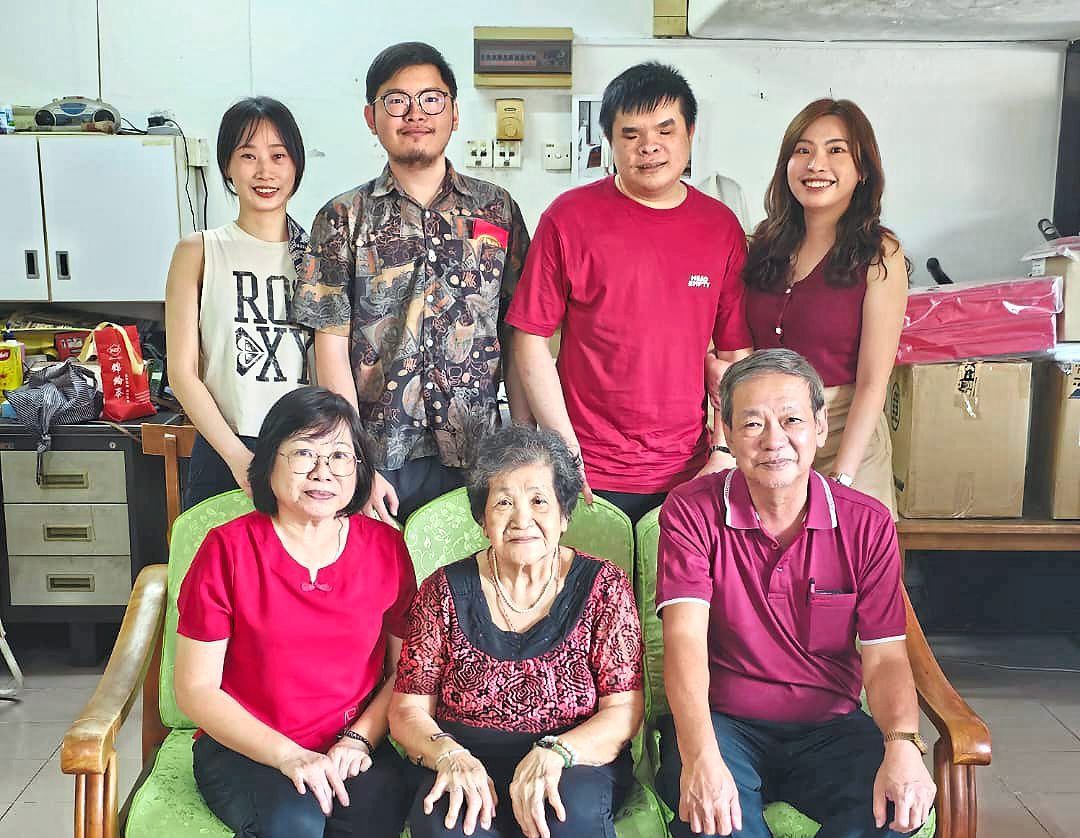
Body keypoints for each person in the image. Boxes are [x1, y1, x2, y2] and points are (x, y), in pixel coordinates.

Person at [654, 350, 935, 838]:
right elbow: (684, 643)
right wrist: (701, 752)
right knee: (696, 790)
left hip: (830, 723)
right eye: (751, 423)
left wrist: (902, 743)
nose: (772, 439)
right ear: (725, 429)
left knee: (894, 797)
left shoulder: (865, 523)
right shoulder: (691, 512)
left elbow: (887, 656)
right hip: (729, 720)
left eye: (789, 420)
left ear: (819, 426)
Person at [389, 426, 650, 838]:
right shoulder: (443, 591)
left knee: (573, 811)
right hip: (466, 757)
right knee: (441, 824)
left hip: (576, 753)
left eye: (538, 500)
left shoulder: (603, 587)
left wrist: (558, 751)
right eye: (503, 501)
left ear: (565, 512)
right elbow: (406, 710)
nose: (522, 517)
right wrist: (449, 754)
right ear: (481, 515)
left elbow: (623, 710)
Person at [175, 386, 416, 838]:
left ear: (361, 469)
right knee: (292, 825)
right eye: (303, 453)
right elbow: (195, 690)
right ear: (268, 466)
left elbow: (403, 671)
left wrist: (358, 740)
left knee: (388, 803)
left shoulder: (385, 549)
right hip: (246, 745)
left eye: (340, 456)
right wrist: (290, 757)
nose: (323, 472)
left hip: (344, 744)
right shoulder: (227, 549)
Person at [293, 41, 530, 525]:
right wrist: (351, 461)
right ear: (371, 116)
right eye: (396, 100)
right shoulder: (343, 216)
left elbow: (518, 333)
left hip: (479, 451)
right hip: (381, 454)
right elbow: (329, 345)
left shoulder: (497, 210)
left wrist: (521, 444)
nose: (414, 114)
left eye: (431, 99)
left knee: (467, 594)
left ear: (455, 112)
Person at [507, 61, 752, 523]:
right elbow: (530, 337)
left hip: (690, 471)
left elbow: (736, 355)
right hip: (586, 473)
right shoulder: (569, 219)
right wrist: (563, 450)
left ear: (690, 132)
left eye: (665, 129)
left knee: (676, 597)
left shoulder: (720, 228)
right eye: (631, 134)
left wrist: (723, 450)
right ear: (610, 141)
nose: (649, 147)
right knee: (589, 595)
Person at [744, 99, 907, 515]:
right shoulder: (762, 246)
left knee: (845, 570)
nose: (816, 164)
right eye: (803, 150)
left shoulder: (879, 254)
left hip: (844, 436)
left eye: (835, 150)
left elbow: (873, 381)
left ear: (862, 168)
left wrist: (843, 477)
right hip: (769, 441)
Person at [166, 97, 313, 509]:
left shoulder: (319, 255)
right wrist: (235, 455)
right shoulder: (198, 252)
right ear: (227, 166)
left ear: (296, 165)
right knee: (215, 572)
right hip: (223, 446)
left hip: (304, 452)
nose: (265, 171)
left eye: (278, 156)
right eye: (248, 156)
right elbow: (182, 371)